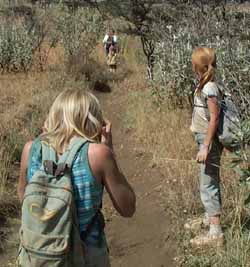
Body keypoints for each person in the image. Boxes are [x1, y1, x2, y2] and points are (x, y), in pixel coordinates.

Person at [18, 89, 136, 266]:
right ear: (95, 120)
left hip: (38, 254)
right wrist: (110, 151)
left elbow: (24, 198)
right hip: (87, 256)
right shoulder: (97, 154)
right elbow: (127, 208)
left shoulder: (30, 149)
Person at [186, 47, 224, 247]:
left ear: (197, 66)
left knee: (207, 184)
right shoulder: (206, 84)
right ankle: (209, 219)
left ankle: (215, 233)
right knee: (208, 179)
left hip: (207, 141)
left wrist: (205, 146)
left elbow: (214, 118)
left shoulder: (209, 88)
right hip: (203, 138)